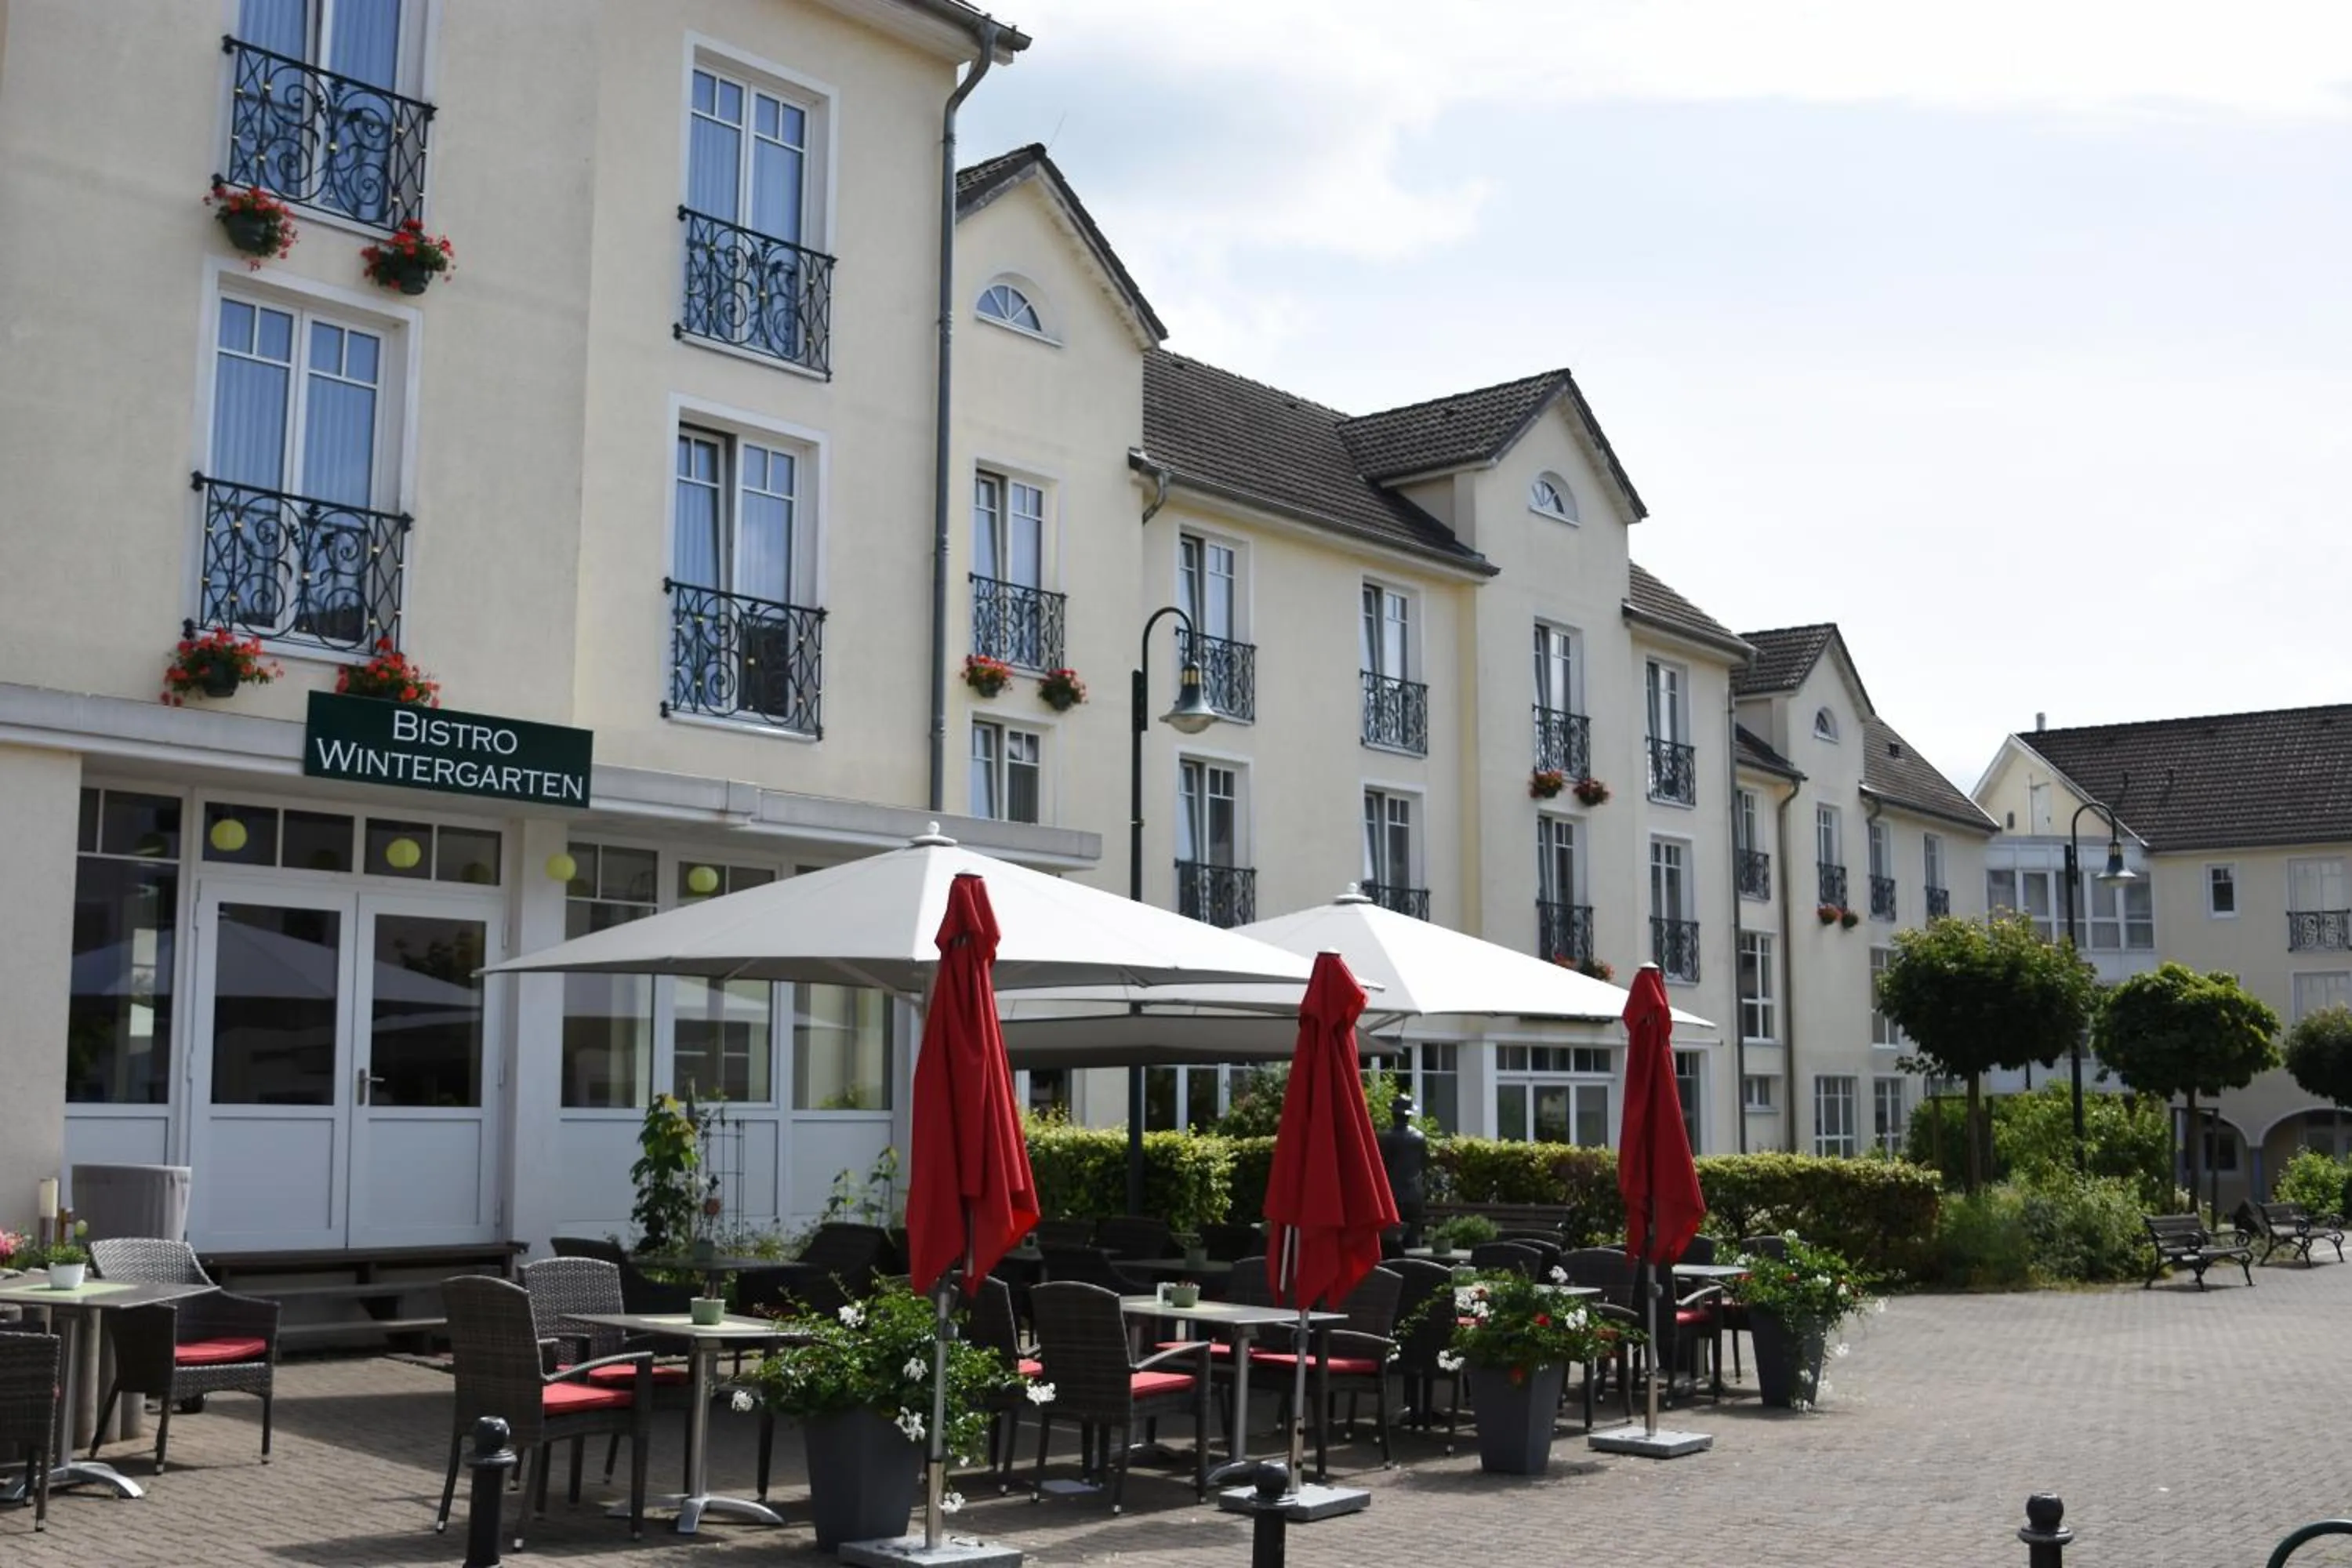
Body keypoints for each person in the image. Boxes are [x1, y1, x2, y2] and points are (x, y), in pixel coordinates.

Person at [1378, 1091, 1428, 1247]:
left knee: (1390, 1243)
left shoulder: (1384, 1138)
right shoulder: (1419, 1138)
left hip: (1391, 1195)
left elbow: (1381, 1167)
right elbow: (1424, 1165)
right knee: (1413, 1241)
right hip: (1414, 1195)